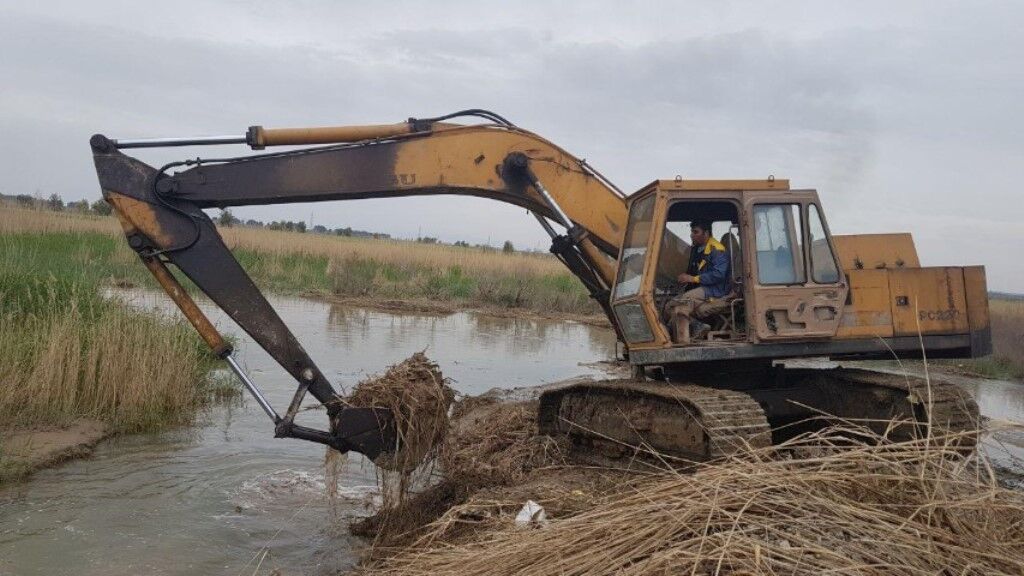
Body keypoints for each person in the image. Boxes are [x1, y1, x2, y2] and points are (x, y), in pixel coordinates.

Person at [666, 220, 731, 343]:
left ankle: (685, 338)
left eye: (696, 232)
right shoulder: (697, 249)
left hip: (716, 290)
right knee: (670, 306)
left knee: (683, 302)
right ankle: (694, 326)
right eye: (691, 231)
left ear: (706, 233)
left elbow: (719, 274)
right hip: (704, 288)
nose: (691, 235)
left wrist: (693, 279)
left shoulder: (717, 250)